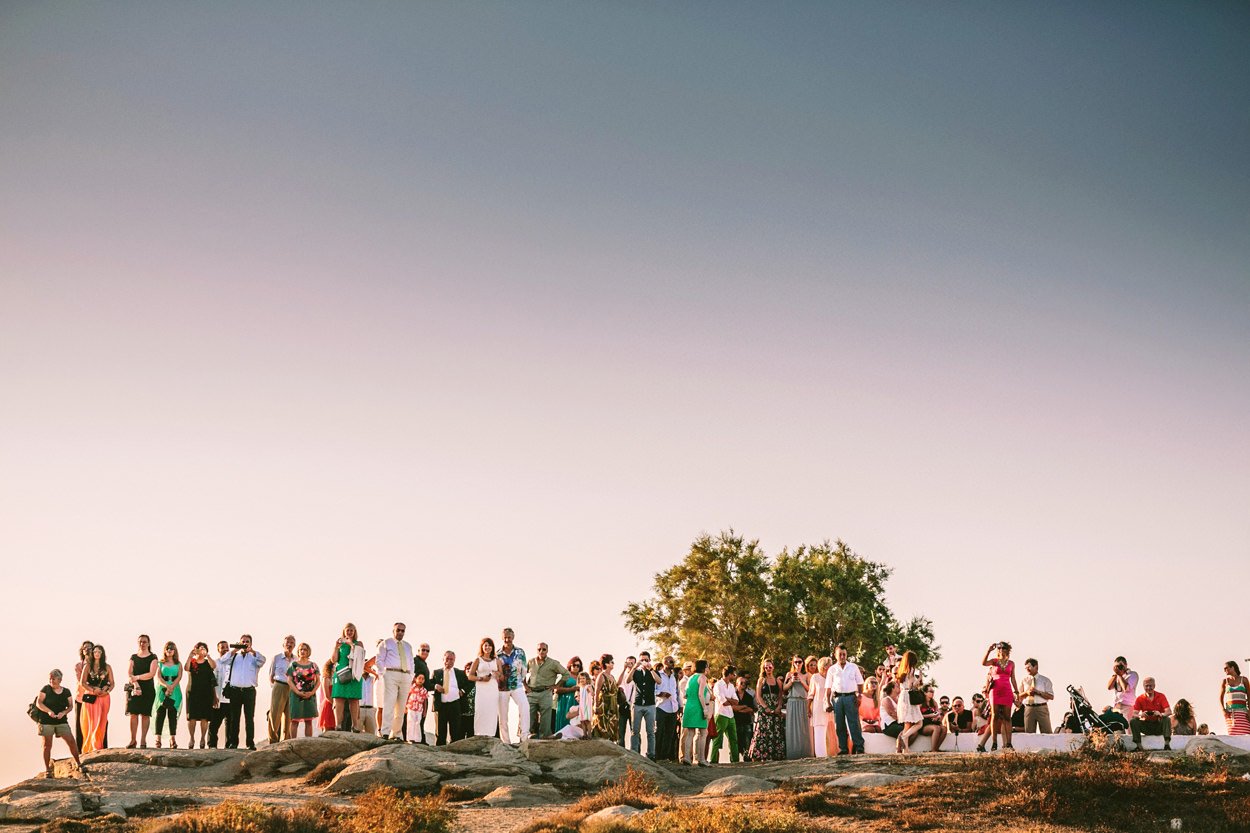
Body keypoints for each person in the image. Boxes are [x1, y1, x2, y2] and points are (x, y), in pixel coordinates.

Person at [36, 670, 84, 778]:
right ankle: (48, 770)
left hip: (61, 721)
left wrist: (64, 712)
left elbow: (71, 705)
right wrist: (48, 711)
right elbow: (39, 702)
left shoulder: (66, 691)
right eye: (50, 678)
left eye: (53, 678)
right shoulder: (46, 689)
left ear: (60, 680)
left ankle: (79, 763)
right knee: (47, 745)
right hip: (46, 721)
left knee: (71, 741)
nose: (51, 680)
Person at [221, 634, 266, 750]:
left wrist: (252, 651)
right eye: (243, 641)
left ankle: (250, 743)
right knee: (234, 718)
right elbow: (223, 660)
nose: (245, 643)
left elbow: (262, 660)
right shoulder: (234, 656)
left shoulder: (254, 657)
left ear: (250, 643)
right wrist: (235, 649)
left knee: (249, 718)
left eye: (247, 641)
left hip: (249, 691)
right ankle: (233, 742)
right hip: (235, 691)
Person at [374, 623, 415, 740]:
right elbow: (379, 660)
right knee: (389, 703)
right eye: (398, 630)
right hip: (391, 673)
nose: (400, 633)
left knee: (401, 707)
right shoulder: (386, 643)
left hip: (405, 675)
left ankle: (396, 733)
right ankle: (385, 732)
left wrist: (411, 675)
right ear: (393, 631)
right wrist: (383, 673)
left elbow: (411, 661)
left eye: (403, 631)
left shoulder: (408, 646)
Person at [978, 642, 1019, 752]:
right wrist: (988, 650)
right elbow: (983, 663)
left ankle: (1009, 743)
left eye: (1003, 648)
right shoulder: (994, 662)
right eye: (999, 648)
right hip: (995, 689)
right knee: (995, 716)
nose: (1000, 649)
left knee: (1007, 717)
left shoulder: (1011, 663)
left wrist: (1017, 691)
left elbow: (1013, 678)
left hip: (1007, 689)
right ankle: (994, 742)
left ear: (1007, 649)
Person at [525, 642, 571, 739]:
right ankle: (530, 735)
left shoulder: (553, 663)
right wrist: (526, 686)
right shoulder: (530, 662)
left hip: (545, 692)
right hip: (531, 692)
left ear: (547, 651)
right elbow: (521, 673)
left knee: (546, 716)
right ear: (537, 650)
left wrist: (556, 686)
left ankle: (545, 736)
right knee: (529, 714)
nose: (541, 651)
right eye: (539, 649)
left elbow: (566, 674)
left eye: (544, 649)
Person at [826, 644, 866, 755]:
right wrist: (827, 701)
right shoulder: (832, 669)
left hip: (851, 697)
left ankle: (859, 747)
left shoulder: (853, 667)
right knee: (839, 724)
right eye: (840, 654)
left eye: (844, 654)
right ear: (835, 655)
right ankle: (843, 749)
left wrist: (859, 696)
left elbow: (860, 683)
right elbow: (828, 687)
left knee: (854, 723)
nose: (842, 656)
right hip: (837, 698)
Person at [746, 657, 785, 761]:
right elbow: (758, 696)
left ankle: (776, 755)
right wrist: (765, 707)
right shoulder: (761, 680)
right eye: (766, 667)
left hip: (776, 707)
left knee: (776, 730)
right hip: (765, 709)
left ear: (773, 667)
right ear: (763, 668)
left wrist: (779, 706)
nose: (768, 668)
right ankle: (759, 755)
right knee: (762, 731)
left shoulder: (778, 681)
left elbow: (780, 695)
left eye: (770, 666)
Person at [495, 629, 529, 744]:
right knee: (503, 715)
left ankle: (524, 737)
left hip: (517, 685)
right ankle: (506, 741)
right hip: (502, 688)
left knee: (525, 707)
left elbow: (524, 669)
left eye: (509, 637)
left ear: (513, 637)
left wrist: (520, 679)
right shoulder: (497, 654)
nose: (507, 640)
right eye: (505, 637)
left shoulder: (520, 652)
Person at [429, 650, 470, 745]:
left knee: (455, 731)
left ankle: (454, 752)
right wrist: (435, 686)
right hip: (441, 706)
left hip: (455, 705)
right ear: (443, 659)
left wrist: (463, 691)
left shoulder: (459, 673)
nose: (449, 661)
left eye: (452, 659)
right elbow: (429, 684)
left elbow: (469, 683)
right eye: (447, 659)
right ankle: (439, 752)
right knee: (440, 732)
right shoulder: (436, 672)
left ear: (454, 660)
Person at [79, 644, 113, 755]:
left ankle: (98, 746)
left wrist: (106, 690)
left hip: (104, 698)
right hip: (91, 697)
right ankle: (89, 747)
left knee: (101, 722)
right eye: (95, 652)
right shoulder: (87, 666)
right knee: (90, 722)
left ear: (102, 654)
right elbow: (82, 682)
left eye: (99, 652)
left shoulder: (107, 667)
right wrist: (93, 690)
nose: (97, 653)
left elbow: (112, 683)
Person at [331, 623, 365, 732]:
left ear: (354, 632)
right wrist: (336, 647)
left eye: (351, 630)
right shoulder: (340, 644)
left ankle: (355, 725)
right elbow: (334, 660)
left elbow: (360, 656)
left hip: (354, 674)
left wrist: (351, 645)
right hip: (341, 672)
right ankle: (338, 725)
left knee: (354, 700)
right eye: (347, 630)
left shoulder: (358, 643)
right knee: (339, 698)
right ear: (344, 631)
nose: (349, 632)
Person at [183, 642, 217, 749]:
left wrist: (207, 655)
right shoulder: (192, 662)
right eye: (199, 648)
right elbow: (186, 668)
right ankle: (192, 738)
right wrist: (190, 656)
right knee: (191, 717)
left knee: (204, 717)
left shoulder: (208, 662)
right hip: (192, 692)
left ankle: (202, 738)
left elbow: (214, 666)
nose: (201, 650)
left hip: (206, 692)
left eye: (204, 648)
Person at [625, 651, 659, 758]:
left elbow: (659, 681)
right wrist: (635, 667)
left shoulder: (653, 672)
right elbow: (627, 680)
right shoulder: (636, 672)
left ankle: (651, 754)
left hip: (650, 705)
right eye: (642, 660)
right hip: (638, 704)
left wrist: (651, 669)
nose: (644, 662)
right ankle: (634, 753)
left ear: (649, 660)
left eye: (646, 660)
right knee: (635, 731)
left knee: (650, 732)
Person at [125, 635, 157, 749]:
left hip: (148, 689)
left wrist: (137, 677)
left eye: (144, 642)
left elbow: (151, 674)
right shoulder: (133, 657)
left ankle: (143, 740)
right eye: (140, 642)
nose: (142, 644)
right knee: (133, 714)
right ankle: (133, 740)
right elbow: (129, 673)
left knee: (145, 715)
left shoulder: (153, 657)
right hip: (134, 688)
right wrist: (136, 684)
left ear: (148, 643)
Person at [151, 641, 183, 749]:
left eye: (171, 648)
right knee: (160, 713)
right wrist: (166, 686)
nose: (169, 650)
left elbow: (179, 677)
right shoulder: (160, 663)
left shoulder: (178, 664)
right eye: (167, 648)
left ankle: (172, 738)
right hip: (162, 688)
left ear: (175, 651)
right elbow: (158, 676)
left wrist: (172, 686)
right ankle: (158, 739)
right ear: (165, 650)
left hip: (175, 689)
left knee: (172, 714)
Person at [679, 659, 710, 766]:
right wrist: (704, 708)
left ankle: (687, 757)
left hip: (689, 707)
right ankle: (701, 759)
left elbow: (685, 695)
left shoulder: (691, 678)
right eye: (707, 666)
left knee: (690, 733)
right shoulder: (702, 677)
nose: (708, 668)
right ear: (704, 667)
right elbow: (700, 694)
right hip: (698, 706)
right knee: (703, 733)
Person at [286, 643, 320, 738]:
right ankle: (293, 742)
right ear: (298, 651)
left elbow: (318, 682)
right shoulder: (293, 665)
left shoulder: (313, 665)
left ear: (308, 651)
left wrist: (312, 692)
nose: (303, 651)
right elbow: (289, 680)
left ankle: (308, 742)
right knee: (295, 720)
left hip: (310, 695)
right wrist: (297, 692)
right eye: (301, 649)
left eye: (305, 649)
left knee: (308, 720)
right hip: (296, 695)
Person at [894, 650, 925, 754]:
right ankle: (904, 736)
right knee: (919, 722)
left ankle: (905, 749)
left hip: (903, 697)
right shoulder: (911, 670)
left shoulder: (902, 671)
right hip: (909, 697)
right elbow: (912, 685)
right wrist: (919, 678)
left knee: (907, 725)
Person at [1130, 677, 1172, 750]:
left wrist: (1160, 714)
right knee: (1133, 721)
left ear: (1154, 686)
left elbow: (1169, 711)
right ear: (1143, 686)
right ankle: (1139, 746)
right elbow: (1134, 714)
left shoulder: (1161, 696)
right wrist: (1140, 715)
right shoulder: (1140, 698)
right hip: (1146, 725)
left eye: (1150, 685)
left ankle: (1167, 744)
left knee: (1166, 719)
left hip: (1158, 725)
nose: (1148, 688)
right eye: (1146, 686)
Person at [268, 635, 296, 744]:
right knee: (275, 715)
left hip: (292, 688)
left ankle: (286, 741)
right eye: (287, 642)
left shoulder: (296, 659)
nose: (289, 644)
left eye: (292, 643)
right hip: (279, 685)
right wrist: (274, 687)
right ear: (283, 644)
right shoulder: (276, 658)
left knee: (289, 715)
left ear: (294, 645)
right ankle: (273, 740)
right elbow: (271, 675)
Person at [709, 665, 740, 764]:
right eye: (734, 674)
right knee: (717, 739)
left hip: (730, 715)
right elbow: (724, 702)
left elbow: (736, 701)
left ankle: (735, 760)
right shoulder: (718, 685)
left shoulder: (731, 686)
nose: (735, 676)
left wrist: (728, 699)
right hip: (721, 714)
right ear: (729, 674)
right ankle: (713, 760)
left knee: (733, 739)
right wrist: (730, 700)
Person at [470, 637, 501, 737]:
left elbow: (501, 675)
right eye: (485, 645)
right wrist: (481, 678)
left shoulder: (497, 661)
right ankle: (479, 733)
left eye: (489, 645)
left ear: (492, 647)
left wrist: (497, 674)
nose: (487, 647)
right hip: (481, 688)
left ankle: (491, 734)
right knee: (481, 710)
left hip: (492, 688)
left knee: (492, 711)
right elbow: (470, 676)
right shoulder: (478, 660)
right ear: (482, 647)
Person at [783, 655, 812, 759]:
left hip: (803, 702)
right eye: (795, 662)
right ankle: (793, 754)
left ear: (803, 663)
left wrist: (801, 681)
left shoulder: (807, 675)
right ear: (793, 663)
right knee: (792, 727)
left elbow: (810, 690)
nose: (798, 664)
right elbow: (784, 688)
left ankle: (805, 753)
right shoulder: (789, 674)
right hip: (792, 702)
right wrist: (791, 681)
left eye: (800, 662)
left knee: (804, 728)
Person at [654, 656, 680, 761]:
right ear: (665, 662)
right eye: (671, 662)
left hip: (673, 707)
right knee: (659, 732)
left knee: (670, 733)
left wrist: (680, 706)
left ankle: (665, 756)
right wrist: (661, 694)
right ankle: (656, 755)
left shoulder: (675, 676)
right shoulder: (658, 675)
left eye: (673, 662)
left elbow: (677, 692)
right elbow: (652, 690)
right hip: (661, 707)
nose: (673, 664)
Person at [1020, 658, 1054, 734]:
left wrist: (1038, 692)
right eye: (1026, 668)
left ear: (1036, 667)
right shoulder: (1024, 680)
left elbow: (1051, 696)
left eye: (1029, 667)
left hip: (1041, 708)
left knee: (1047, 733)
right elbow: (1019, 695)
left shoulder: (1045, 680)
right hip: (1029, 708)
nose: (1027, 669)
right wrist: (1027, 693)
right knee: (1029, 734)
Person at [207, 641, 231, 748]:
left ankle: (229, 746)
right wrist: (213, 697)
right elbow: (211, 681)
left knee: (230, 724)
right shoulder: (215, 663)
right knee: (213, 725)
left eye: (227, 647)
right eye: (222, 647)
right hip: (218, 698)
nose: (225, 649)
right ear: (218, 650)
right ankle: (212, 746)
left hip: (230, 699)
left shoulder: (233, 662)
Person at [592, 653, 620, 742]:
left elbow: (616, 686)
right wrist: (596, 705)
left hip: (613, 704)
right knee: (602, 725)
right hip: (603, 704)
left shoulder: (612, 676)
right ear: (606, 664)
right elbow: (596, 692)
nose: (613, 664)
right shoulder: (601, 676)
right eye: (612, 662)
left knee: (613, 724)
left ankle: (611, 745)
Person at [553, 656, 583, 737]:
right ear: (570, 665)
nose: (576, 667)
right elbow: (556, 689)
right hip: (565, 701)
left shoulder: (581, 677)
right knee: (565, 719)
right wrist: (571, 689)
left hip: (577, 701)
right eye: (574, 665)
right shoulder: (566, 676)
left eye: (578, 666)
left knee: (576, 720)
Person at [72, 641, 94, 750]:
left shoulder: (98, 664)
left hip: (95, 699)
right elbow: (82, 681)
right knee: (80, 725)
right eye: (85, 648)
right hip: (81, 698)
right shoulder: (79, 665)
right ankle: (80, 750)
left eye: (89, 648)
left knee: (96, 723)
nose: (87, 649)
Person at [1220, 660, 1250, 735]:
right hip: (1230, 713)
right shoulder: (1225, 681)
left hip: (1243, 713)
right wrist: (1223, 709)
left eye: (1226, 668)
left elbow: (1249, 696)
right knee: (1232, 735)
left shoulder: (1244, 680)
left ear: (1232, 667)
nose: (1224, 670)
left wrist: (1249, 710)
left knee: (1245, 734)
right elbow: (1220, 697)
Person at [915, 685, 948, 752]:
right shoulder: (921, 703)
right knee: (936, 728)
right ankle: (933, 750)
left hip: (933, 722)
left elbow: (937, 714)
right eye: (930, 691)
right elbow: (917, 715)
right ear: (925, 693)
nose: (932, 693)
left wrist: (937, 717)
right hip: (923, 724)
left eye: (933, 691)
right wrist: (930, 715)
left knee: (944, 729)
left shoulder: (934, 703)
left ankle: (936, 748)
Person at [808, 656, 830, 756]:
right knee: (819, 733)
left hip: (830, 708)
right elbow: (811, 694)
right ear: (823, 666)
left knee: (830, 733)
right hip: (818, 707)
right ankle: (821, 757)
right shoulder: (815, 677)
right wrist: (808, 708)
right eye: (828, 664)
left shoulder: (832, 678)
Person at [1107, 656, 1139, 721]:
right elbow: (1109, 687)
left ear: (1126, 665)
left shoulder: (1132, 674)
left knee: (1127, 729)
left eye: (1120, 666)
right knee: (1117, 729)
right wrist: (1116, 674)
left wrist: (1120, 675)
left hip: (1127, 707)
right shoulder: (1116, 676)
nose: (1119, 668)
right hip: (1116, 707)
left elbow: (1126, 688)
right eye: (1116, 666)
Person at [412, 643, 433, 740]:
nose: (425, 652)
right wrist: (435, 686)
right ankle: (417, 739)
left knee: (421, 719)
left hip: (422, 695)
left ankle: (420, 738)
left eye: (427, 650)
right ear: (418, 651)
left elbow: (427, 682)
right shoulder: (415, 661)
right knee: (414, 719)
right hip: (416, 696)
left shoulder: (423, 663)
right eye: (423, 650)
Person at [733, 674, 756, 753]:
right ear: (736, 684)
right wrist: (744, 706)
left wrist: (738, 709)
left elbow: (751, 709)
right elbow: (732, 708)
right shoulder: (733, 695)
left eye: (745, 683)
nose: (743, 684)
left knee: (747, 742)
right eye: (741, 683)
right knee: (735, 742)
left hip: (747, 722)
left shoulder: (749, 696)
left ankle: (747, 759)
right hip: (736, 722)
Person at [406, 672, 429, 743]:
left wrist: (425, 711)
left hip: (419, 709)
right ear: (415, 679)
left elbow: (425, 701)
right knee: (410, 721)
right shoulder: (411, 687)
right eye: (419, 678)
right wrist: (405, 706)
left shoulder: (424, 690)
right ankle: (410, 738)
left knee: (417, 722)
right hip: (411, 707)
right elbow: (407, 696)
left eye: (422, 679)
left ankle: (417, 739)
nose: (421, 680)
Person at [359, 658, 379, 736]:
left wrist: (374, 672)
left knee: (371, 733)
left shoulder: (374, 679)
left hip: (371, 709)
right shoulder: (357, 679)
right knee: (358, 733)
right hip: (359, 708)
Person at [318, 658, 337, 734]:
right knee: (327, 729)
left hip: (336, 705)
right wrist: (334, 704)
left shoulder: (336, 679)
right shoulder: (326, 678)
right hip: (329, 705)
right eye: (334, 665)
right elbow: (327, 695)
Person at [461, 661, 477, 741]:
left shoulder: (477, 683)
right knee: (460, 737)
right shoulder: (461, 681)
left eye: (471, 669)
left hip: (473, 715)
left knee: (471, 738)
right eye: (467, 668)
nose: (469, 670)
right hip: (462, 714)